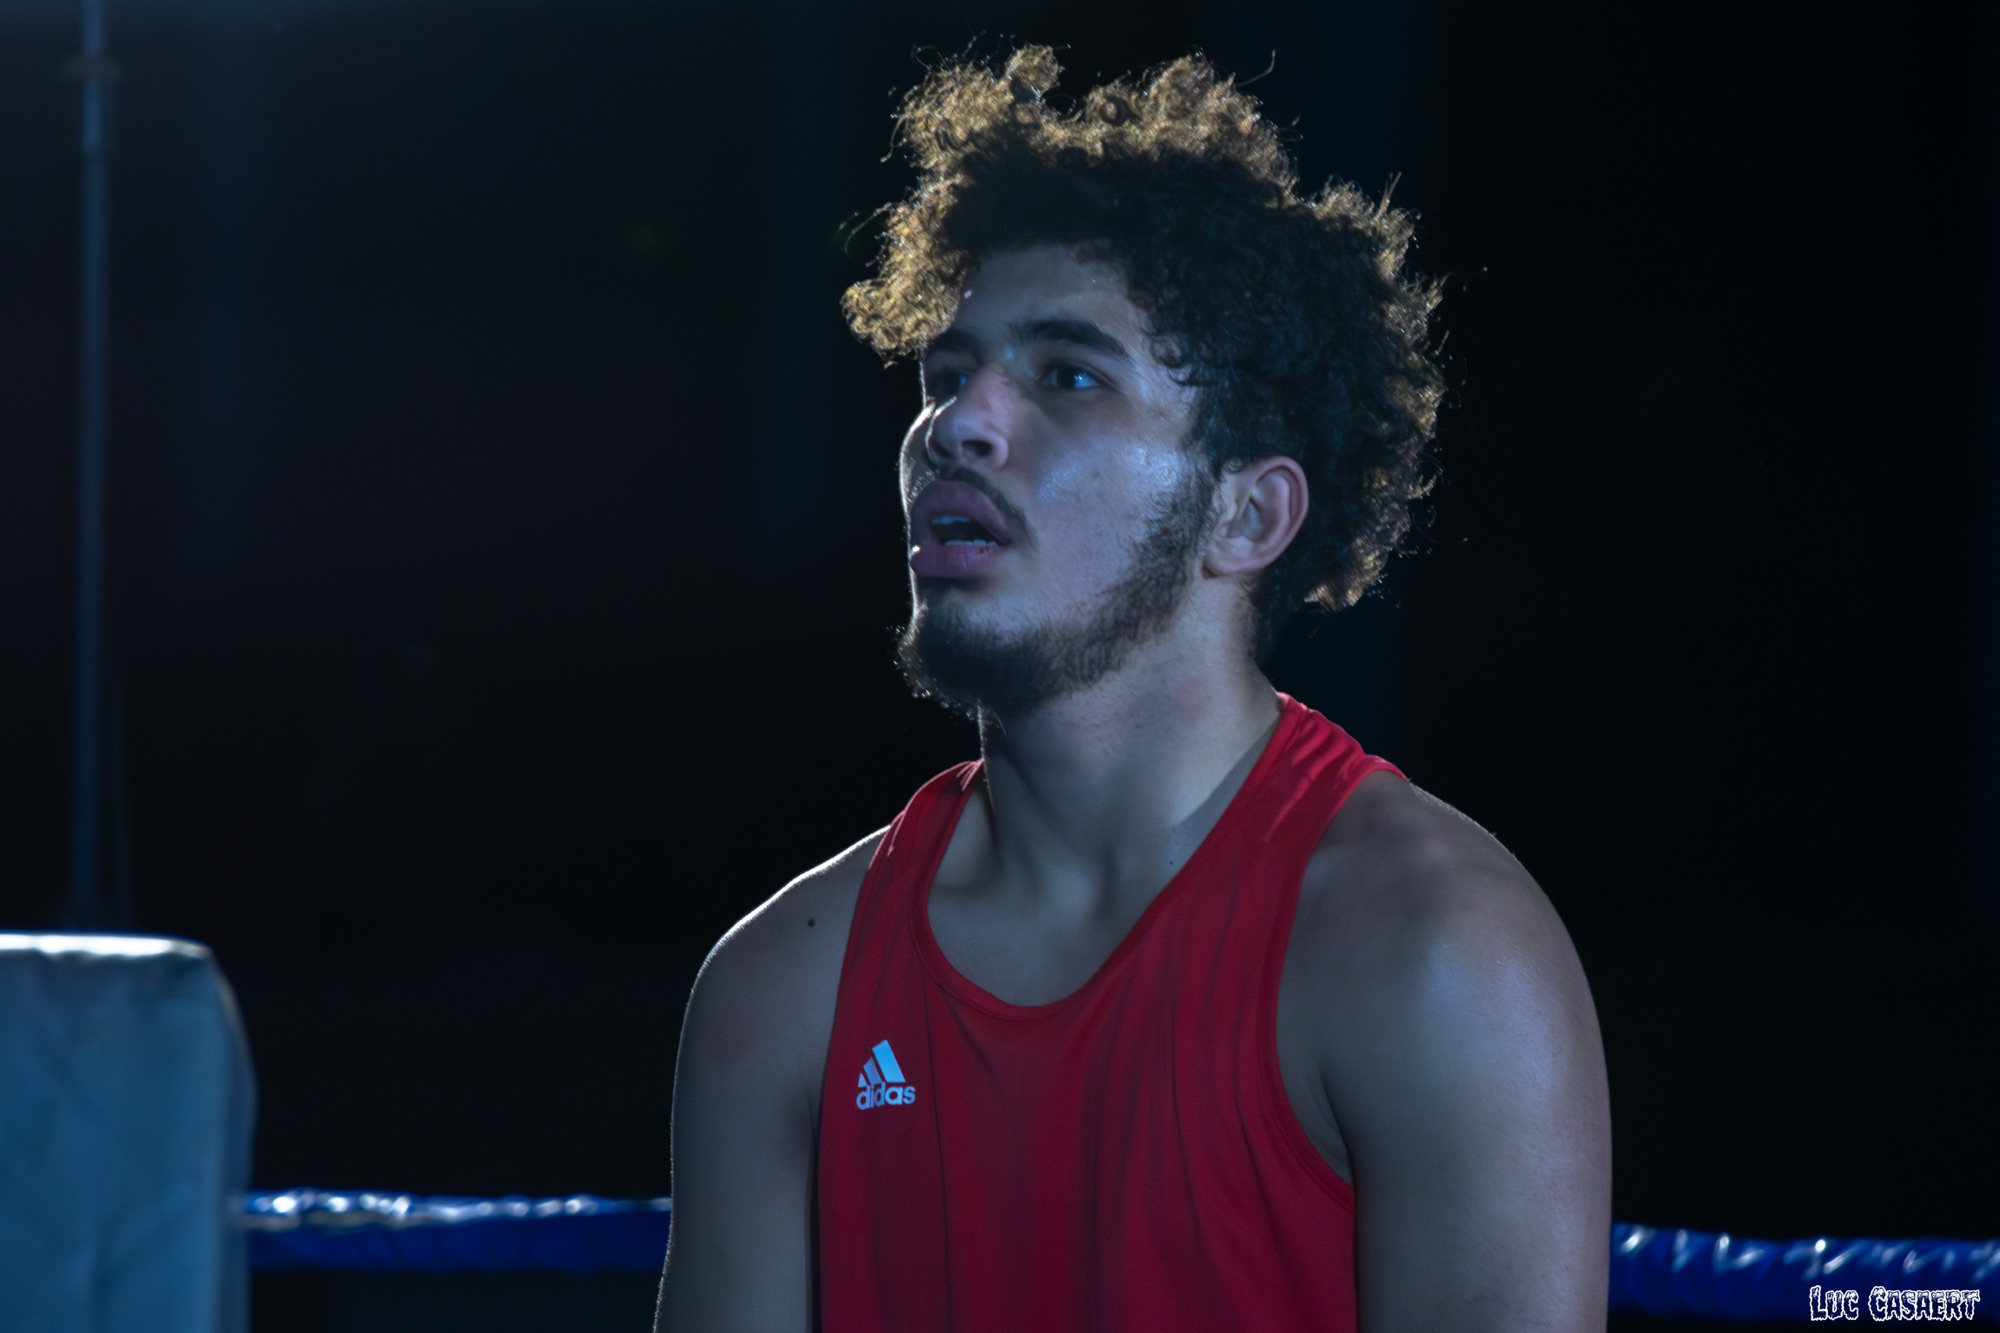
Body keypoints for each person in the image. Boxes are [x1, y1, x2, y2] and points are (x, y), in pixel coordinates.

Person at [656, 47, 1610, 1333]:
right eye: (946, 377)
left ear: (1244, 515)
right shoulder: (782, 991)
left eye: (1068, 374)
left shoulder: (1433, 955)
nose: (957, 425)